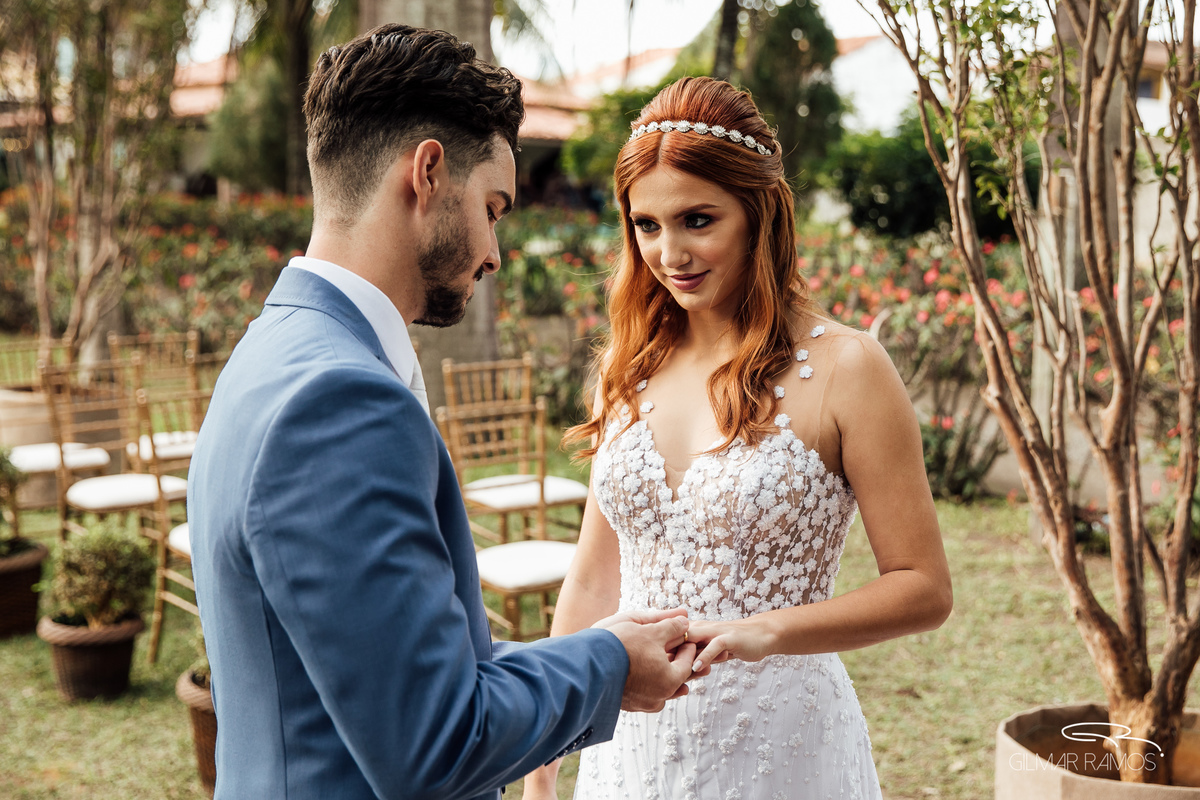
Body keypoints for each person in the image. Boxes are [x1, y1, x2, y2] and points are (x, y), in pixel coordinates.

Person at [187, 25, 702, 800]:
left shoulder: (270, 351)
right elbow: (432, 742)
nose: (495, 252)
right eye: (493, 208)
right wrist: (609, 664)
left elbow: (387, 669)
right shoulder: (340, 404)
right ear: (427, 172)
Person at [523, 77, 954, 799]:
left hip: (779, 740)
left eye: (698, 220)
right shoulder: (626, 368)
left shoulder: (848, 368)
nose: (670, 254)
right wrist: (546, 754)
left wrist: (770, 631)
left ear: (759, 215)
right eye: (647, 225)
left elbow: (923, 588)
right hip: (630, 743)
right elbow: (596, 577)